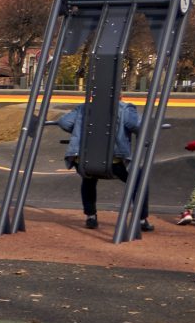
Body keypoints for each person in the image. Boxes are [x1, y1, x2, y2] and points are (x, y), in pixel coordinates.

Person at [54, 96, 146, 232]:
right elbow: (138, 126)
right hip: (114, 163)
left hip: (85, 162)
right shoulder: (124, 109)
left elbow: (64, 122)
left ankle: (91, 216)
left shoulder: (83, 108)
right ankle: (141, 219)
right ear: (118, 96)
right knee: (139, 180)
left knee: (88, 179)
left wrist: (80, 128)